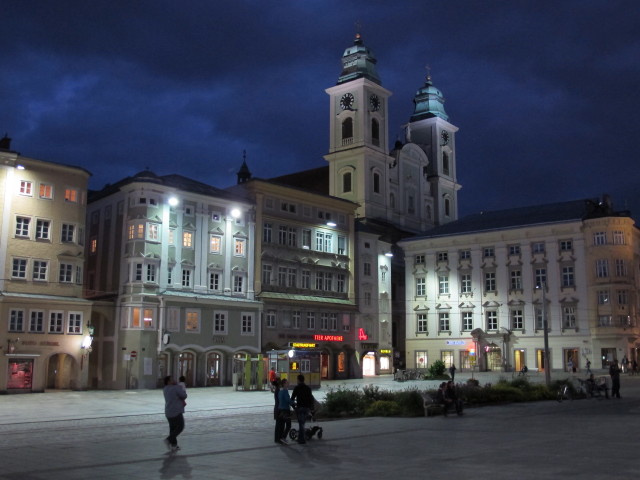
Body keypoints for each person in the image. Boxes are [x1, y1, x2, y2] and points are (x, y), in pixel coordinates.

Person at [163, 376, 187, 452]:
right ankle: (168, 439)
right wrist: (179, 387)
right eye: (172, 379)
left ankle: (174, 445)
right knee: (180, 426)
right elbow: (184, 395)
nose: (174, 380)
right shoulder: (176, 387)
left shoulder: (165, 388)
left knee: (172, 428)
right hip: (176, 411)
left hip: (168, 411)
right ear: (168, 381)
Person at [290, 374, 315, 444]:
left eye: (297, 379)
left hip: (300, 407)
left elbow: (292, 398)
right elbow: (311, 399)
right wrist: (311, 408)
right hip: (306, 408)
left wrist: (294, 407)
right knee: (302, 423)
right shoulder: (308, 388)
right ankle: (302, 437)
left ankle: (301, 439)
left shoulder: (297, 388)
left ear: (298, 380)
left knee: (301, 424)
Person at [276, 378, 292, 444]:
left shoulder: (280, 391)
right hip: (285, 410)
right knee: (288, 425)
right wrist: (294, 403)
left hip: (280, 410)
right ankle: (283, 437)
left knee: (281, 425)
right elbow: (288, 400)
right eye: (287, 383)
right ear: (284, 384)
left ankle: (280, 438)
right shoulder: (285, 391)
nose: (288, 384)